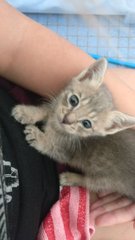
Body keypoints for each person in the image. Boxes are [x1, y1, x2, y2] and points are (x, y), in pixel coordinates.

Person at [0, 1, 135, 239]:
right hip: (59, 211)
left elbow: (16, 44)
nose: (68, 117)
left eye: (84, 123)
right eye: (73, 102)